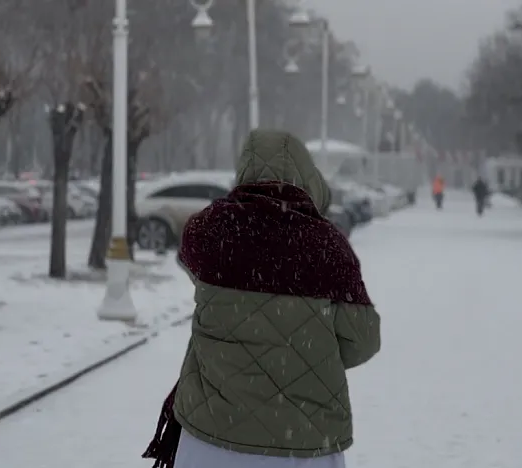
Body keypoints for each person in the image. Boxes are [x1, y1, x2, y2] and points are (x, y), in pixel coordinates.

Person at [142, 130, 381, 468]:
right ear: (304, 174)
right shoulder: (329, 246)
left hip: (210, 439)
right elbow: (363, 341)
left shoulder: (207, 231)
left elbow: (192, 265)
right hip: (303, 443)